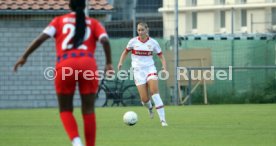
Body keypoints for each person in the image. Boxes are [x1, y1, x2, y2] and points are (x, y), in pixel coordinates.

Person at [13, 0, 114, 146]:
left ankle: (76, 141)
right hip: (88, 64)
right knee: (88, 109)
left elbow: (41, 39)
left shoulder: (58, 21)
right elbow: (105, 41)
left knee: (65, 109)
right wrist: (108, 63)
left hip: (65, 64)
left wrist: (24, 56)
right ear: (84, 6)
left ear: (69, 6)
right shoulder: (93, 23)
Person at [117, 22, 168, 126]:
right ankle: (149, 107)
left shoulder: (153, 43)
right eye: (138, 30)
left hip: (150, 69)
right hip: (138, 71)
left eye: (142, 30)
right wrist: (120, 62)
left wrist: (164, 66)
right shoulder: (133, 42)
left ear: (147, 30)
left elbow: (161, 55)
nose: (140, 32)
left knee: (155, 92)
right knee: (144, 99)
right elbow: (125, 52)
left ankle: (163, 120)